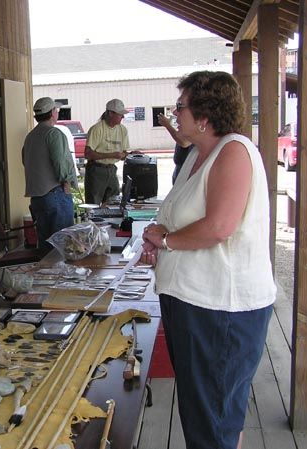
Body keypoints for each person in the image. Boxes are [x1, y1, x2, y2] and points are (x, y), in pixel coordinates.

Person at [141, 71, 276, 449]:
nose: (175, 114)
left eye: (180, 107)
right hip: (193, 304)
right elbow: (178, 214)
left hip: (221, 311)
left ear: (205, 114)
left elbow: (219, 226)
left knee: (212, 421)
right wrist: (158, 234)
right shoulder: (197, 155)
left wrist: (166, 241)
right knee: (211, 414)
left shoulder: (233, 151)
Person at [22, 97, 77, 251]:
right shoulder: (54, 134)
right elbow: (60, 162)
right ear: (52, 113)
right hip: (55, 194)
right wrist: (66, 181)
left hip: (38, 197)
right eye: (56, 109)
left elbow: (25, 161)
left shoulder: (30, 136)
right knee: (62, 246)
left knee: (46, 247)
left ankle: (47, 276)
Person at [84, 98, 130, 205]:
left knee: (114, 202)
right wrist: (111, 155)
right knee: (93, 204)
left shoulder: (122, 130)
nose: (122, 117)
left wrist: (132, 155)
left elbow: (123, 154)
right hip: (96, 170)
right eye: (120, 114)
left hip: (112, 170)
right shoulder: (97, 129)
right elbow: (87, 154)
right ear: (110, 113)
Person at [157, 112, 194, 184]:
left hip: (186, 172)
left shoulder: (195, 129)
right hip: (179, 169)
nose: (175, 112)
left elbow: (184, 142)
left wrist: (167, 125)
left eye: (180, 106)